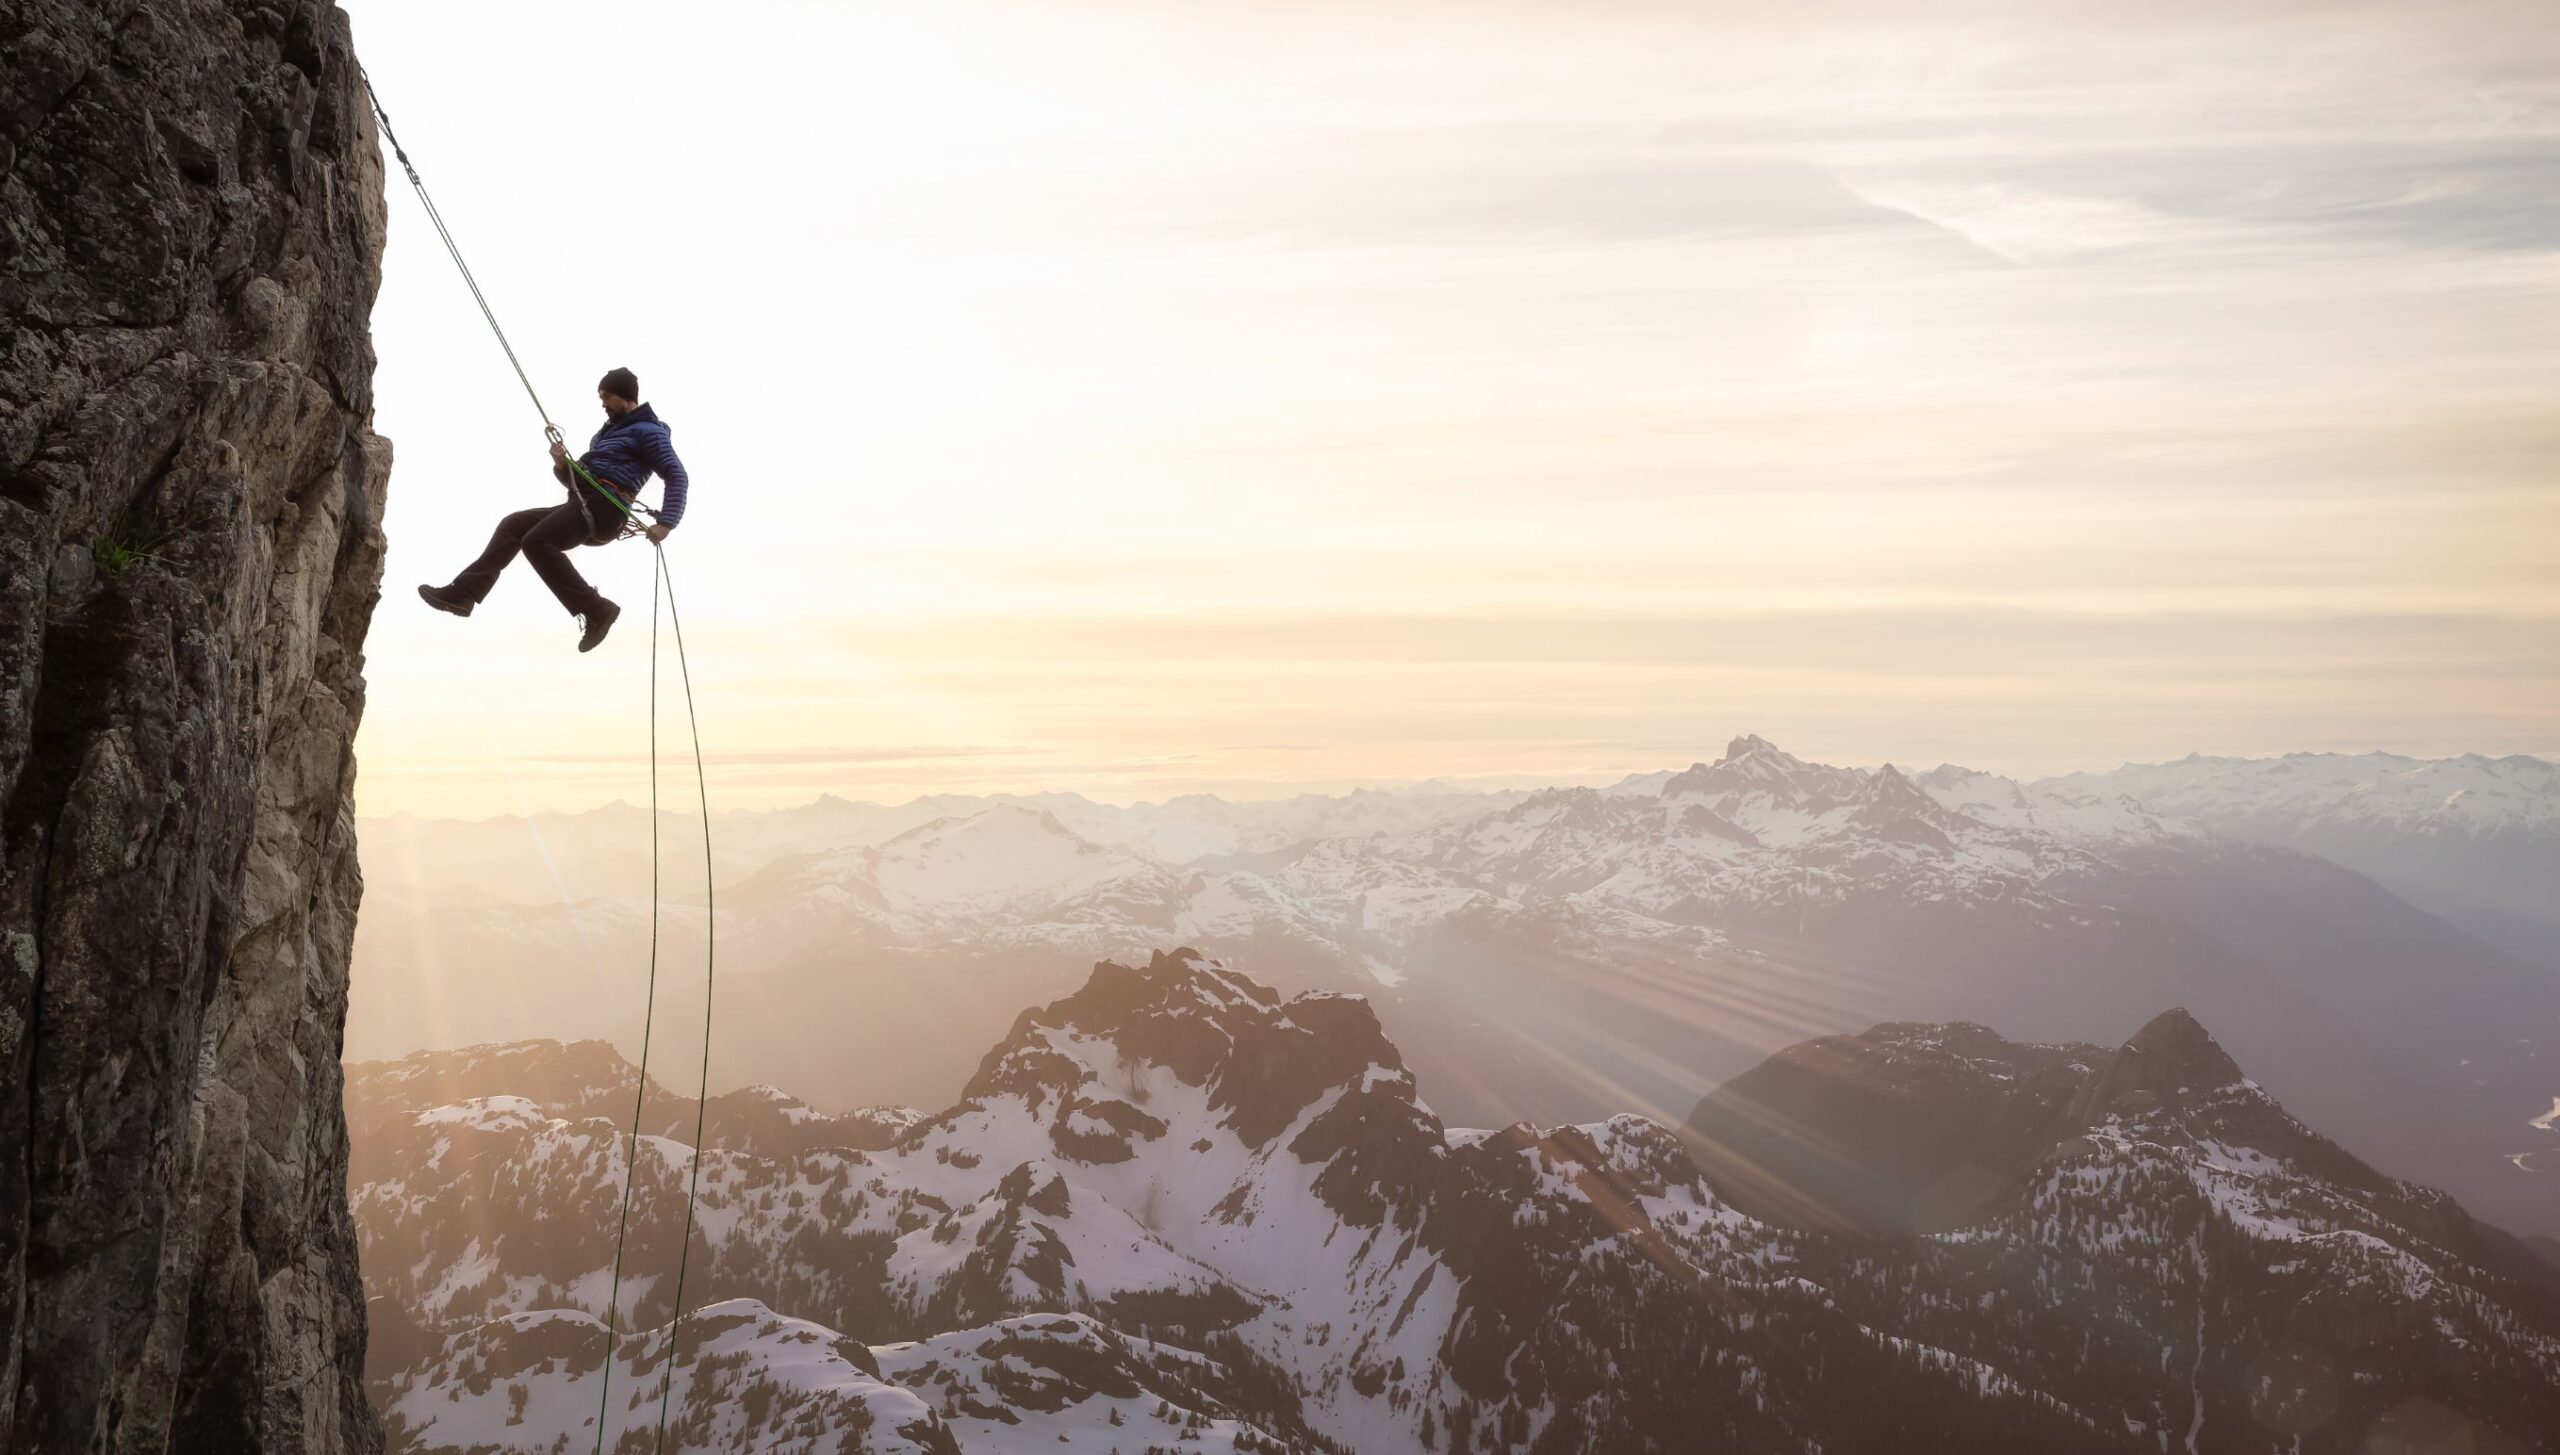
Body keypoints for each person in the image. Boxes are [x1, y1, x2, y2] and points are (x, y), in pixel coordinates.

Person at [417, 367, 691, 652]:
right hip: (586, 503)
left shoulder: (648, 431)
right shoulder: (605, 436)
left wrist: (667, 523)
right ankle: (464, 593)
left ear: (625, 396)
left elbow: (676, 474)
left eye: (607, 397)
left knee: (536, 541)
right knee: (514, 525)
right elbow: (578, 483)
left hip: (606, 509)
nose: (602, 404)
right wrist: (563, 466)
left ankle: (596, 609)